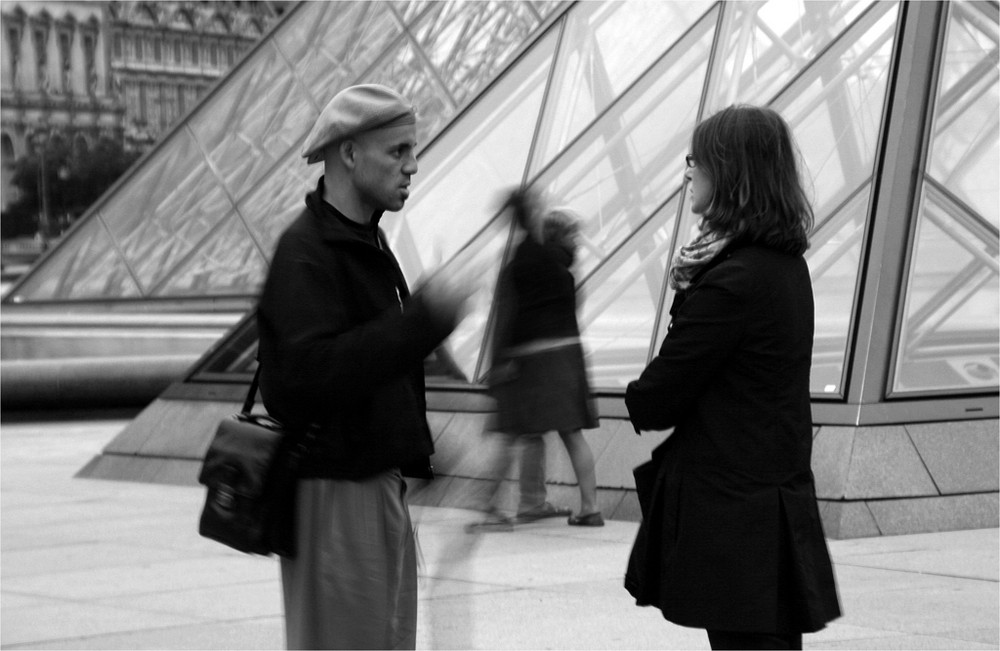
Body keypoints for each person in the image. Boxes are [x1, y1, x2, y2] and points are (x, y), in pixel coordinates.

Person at [256, 84, 473, 650]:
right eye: (397, 151)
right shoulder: (306, 253)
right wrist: (421, 322)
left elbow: (367, 369)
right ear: (349, 154)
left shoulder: (363, 241)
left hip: (371, 485)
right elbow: (302, 380)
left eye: (412, 149)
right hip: (335, 497)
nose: (413, 166)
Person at [623, 105, 841, 650]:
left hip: (737, 520)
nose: (687, 174)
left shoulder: (732, 280)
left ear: (731, 171)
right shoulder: (783, 265)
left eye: (696, 161)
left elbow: (656, 400)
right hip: (769, 503)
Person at [470, 188, 602, 529]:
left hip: (531, 357)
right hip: (569, 355)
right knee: (569, 433)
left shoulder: (522, 261)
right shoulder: (564, 271)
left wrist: (499, 362)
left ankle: (490, 507)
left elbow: (509, 315)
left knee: (514, 430)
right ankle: (587, 507)